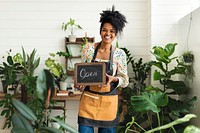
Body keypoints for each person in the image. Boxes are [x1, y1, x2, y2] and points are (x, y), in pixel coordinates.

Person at [76, 5, 129, 133]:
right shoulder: (88, 49)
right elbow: (83, 73)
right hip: (89, 101)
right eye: (105, 30)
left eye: (112, 31)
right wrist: (79, 83)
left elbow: (125, 80)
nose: (108, 34)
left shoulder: (119, 54)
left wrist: (114, 79)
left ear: (115, 34)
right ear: (100, 31)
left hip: (109, 103)